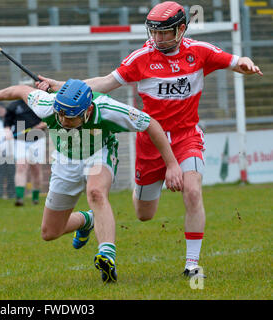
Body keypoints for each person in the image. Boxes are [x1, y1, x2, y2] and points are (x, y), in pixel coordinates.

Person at [36, 1, 263, 278]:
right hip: (150, 142)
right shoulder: (141, 58)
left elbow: (233, 61)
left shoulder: (199, 52)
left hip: (186, 135)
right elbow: (105, 82)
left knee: (192, 191)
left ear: (181, 29)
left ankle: (192, 265)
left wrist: (245, 63)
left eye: (164, 32)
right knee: (144, 214)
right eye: (153, 32)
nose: (157, 38)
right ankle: (94, 218)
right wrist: (63, 86)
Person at [0, 79, 183, 283]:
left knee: (96, 192)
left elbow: (151, 124)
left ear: (88, 110)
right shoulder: (48, 105)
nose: (64, 122)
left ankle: (106, 256)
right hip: (65, 160)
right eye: (61, 116)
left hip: (98, 153)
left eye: (71, 118)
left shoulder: (108, 109)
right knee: (49, 233)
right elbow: (20, 90)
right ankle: (87, 220)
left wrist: (172, 164)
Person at [4, 78, 47, 206]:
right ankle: (19, 198)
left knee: (36, 169)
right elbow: (7, 125)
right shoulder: (13, 106)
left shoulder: (41, 103)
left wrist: (41, 125)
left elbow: (50, 119)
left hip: (37, 139)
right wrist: (8, 133)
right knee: (21, 166)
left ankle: (35, 198)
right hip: (21, 141)